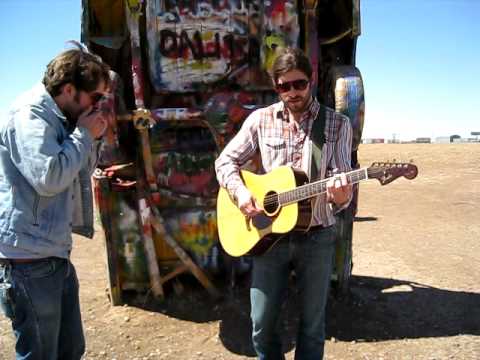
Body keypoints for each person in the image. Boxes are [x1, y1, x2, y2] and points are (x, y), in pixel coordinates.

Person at [215, 47, 353, 359]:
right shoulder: (260, 121)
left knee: (312, 327)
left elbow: (342, 189)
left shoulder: (336, 125)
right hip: (269, 237)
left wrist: (340, 195)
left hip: (317, 236)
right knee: (261, 323)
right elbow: (225, 163)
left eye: (299, 84)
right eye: (283, 86)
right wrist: (242, 194)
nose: (292, 92)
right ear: (276, 86)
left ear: (312, 80)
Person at [0, 44, 110, 359]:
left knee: (69, 350)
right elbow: (49, 178)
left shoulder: (63, 118)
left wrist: (93, 137)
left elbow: (79, 172)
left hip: (52, 254)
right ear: (69, 89)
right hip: (27, 261)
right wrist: (83, 135)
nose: (97, 105)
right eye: (95, 97)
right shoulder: (29, 116)